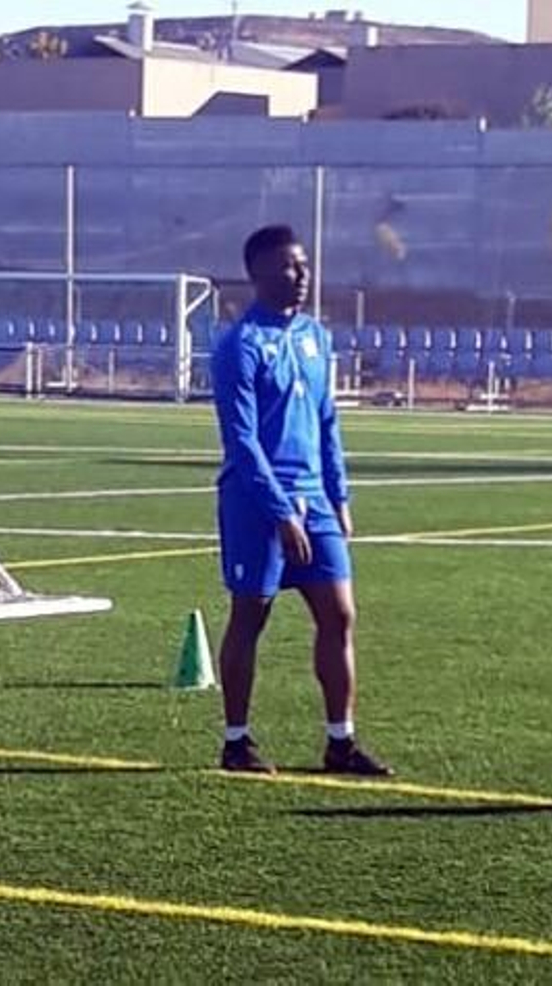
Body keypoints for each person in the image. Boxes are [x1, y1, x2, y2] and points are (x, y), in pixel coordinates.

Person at [208, 224, 391, 777]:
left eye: (304, 264)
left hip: (315, 499)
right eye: (290, 265)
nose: (302, 274)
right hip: (256, 503)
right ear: (258, 272)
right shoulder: (239, 346)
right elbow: (242, 441)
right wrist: (280, 510)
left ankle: (341, 743)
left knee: (340, 614)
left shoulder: (315, 337)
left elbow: (326, 420)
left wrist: (339, 495)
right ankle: (236, 743)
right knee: (251, 615)